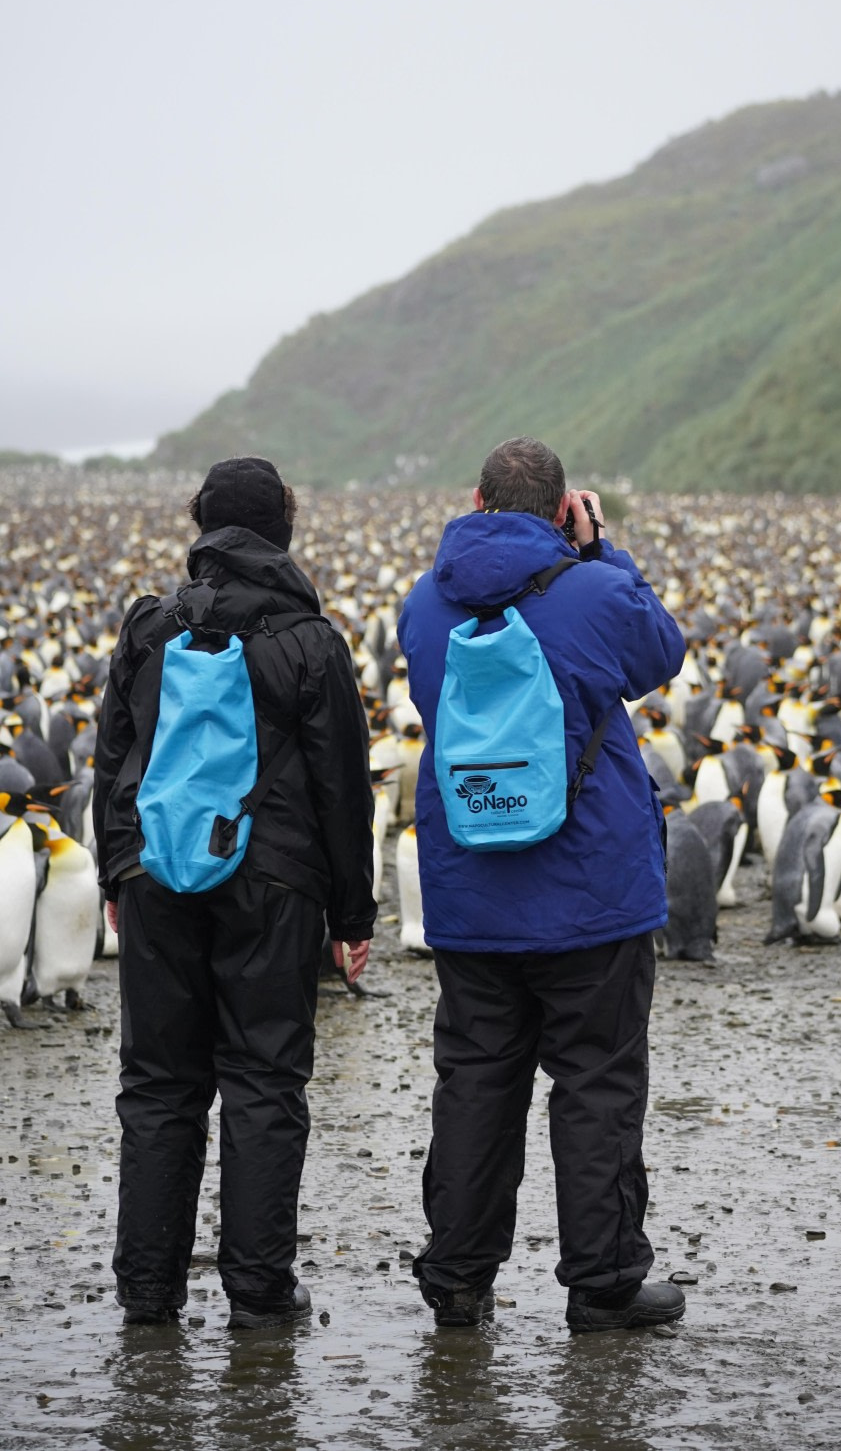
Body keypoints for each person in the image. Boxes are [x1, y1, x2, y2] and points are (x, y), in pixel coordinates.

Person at [397, 436, 687, 1331]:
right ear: (563, 507)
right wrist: (601, 550)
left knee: (476, 1082)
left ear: (476, 499)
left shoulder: (425, 604)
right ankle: (602, 1286)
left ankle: (457, 1279)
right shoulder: (596, 590)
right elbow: (661, 652)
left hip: (472, 890)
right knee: (597, 1084)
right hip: (592, 891)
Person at [93, 456, 375, 1330]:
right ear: (283, 531)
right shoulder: (310, 642)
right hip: (274, 883)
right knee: (262, 1082)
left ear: (201, 526)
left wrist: (116, 870)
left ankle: (148, 1291)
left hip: (157, 875)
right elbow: (343, 788)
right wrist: (352, 915)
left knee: (159, 1084)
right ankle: (258, 1292)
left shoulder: (148, 629)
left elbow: (111, 762)